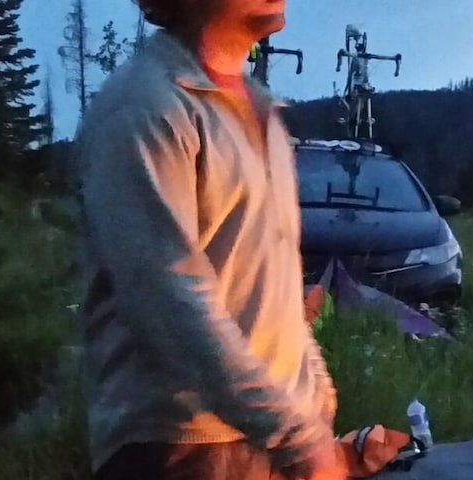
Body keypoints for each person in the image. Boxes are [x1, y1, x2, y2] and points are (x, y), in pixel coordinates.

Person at [72, 0, 344, 478]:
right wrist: (296, 436)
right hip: (183, 448)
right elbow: (167, 299)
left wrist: (314, 393)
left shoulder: (262, 112)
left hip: (265, 439)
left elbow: (268, 281)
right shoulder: (147, 106)